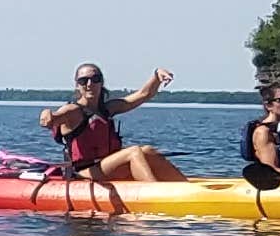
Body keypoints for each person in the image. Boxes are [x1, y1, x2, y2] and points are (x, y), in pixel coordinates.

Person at [39, 62, 182, 184]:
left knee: (148, 151)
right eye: (83, 81)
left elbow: (143, 95)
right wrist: (47, 114)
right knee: (134, 152)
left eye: (95, 79)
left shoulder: (108, 109)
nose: (90, 84)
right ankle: (156, 194)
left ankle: (185, 187)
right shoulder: (73, 111)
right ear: (77, 85)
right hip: (84, 173)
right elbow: (54, 117)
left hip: (107, 166)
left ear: (101, 82)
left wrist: (157, 76)